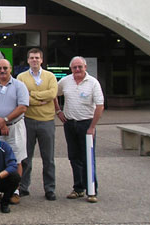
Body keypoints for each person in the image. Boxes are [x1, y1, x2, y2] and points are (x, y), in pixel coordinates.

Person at [54, 56, 104, 203]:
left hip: (86, 124)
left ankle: (92, 190)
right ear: (71, 69)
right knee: (74, 157)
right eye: (74, 67)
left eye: (80, 67)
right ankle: (78, 188)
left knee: (87, 157)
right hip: (70, 124)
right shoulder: (65, 81)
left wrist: (92, 126)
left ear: (85, 67)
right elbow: (53, 94)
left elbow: (100, 106)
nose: (77, 70)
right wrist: (58, 111)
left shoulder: (93, 83)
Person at [0, 59, 29, 204]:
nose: (2, 71)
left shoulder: (19, 86)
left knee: (17, 159)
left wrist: (5, 120)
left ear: (10, 69)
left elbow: (23, 107)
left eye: (5, 68)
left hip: (15, 126)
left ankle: (15, 191)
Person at [16, 48, 58, 201]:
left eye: (37, 58)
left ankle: (50, 188)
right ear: (28, 60)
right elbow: (22, 97)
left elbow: (53, 94)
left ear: (42, 60)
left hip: (47, 121)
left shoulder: (50, 76)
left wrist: (32, 95)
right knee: (26, 157)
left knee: (49, 158)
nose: (34, 60)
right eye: (32, 58)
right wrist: (40, 99)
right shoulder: (21, 77)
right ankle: (23, 187)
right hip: (27, 121)